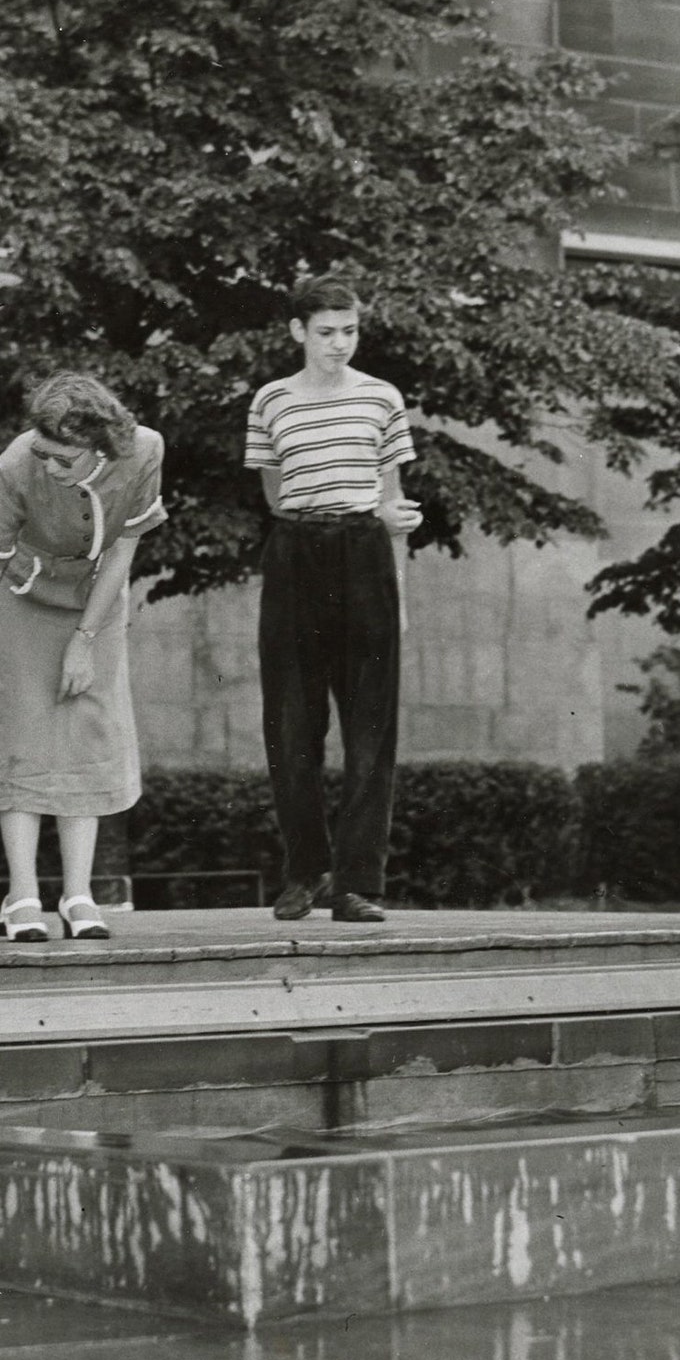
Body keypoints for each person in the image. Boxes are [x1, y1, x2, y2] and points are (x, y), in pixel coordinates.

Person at [0, 374, 166, 942]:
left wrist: (85, 640)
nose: (50, 467)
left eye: (63, 458)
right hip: (19, 601)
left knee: (86, 734)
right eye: (44, 453)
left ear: (100, 448)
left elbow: (123, 553)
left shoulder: (145, 451)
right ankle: (23, 895)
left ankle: (78, 894)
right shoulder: (14, 468)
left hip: (96, 601)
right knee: (23, 736)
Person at [244, 273, 422, 925]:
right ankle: (304, 873)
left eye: (349, 331)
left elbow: (390, 493)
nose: (340, 344)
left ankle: (355, 882)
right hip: (295, 553)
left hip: (364, 555)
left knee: (370, 727)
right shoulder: (271, 401)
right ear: (298, 332)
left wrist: (394, 575)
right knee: (291, 724)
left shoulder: (381, 397)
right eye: (326, 333)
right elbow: (273, 491)